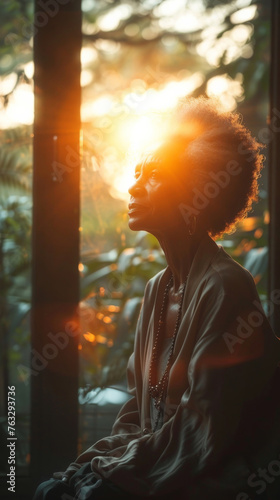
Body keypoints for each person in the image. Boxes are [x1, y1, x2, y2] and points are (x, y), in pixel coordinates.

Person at [33, 97, 280, 500]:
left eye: (153, 175)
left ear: (198, 190)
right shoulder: (156, 289)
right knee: (51, 490)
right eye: (137, 173)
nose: (133, 186)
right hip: (153, 467)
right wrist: (90, 466)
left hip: (210, 478)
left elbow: (205, 430)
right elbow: (136, 415)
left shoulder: (226, 287)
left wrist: (114, 476)